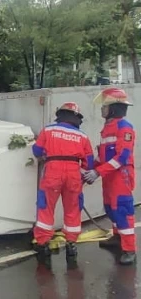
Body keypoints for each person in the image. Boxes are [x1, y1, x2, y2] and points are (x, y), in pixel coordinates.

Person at [32, 102, 94, 265]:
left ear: (60, 115)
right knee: (73, 209)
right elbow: (89, 162)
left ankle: (43, 245)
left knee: (46, 208)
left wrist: (48, 153)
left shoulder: (48, 130)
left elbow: (37, 151)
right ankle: (71, 245)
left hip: (53, 170)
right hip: (73, 172)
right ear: (77, 118)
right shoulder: (83, 136)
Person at [82, 87, 136, 265]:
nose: (101, 109)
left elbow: (122, 157)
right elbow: (102, 155)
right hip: (109, 175)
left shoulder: (124, 127)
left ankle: (129, 249)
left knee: (121, 210)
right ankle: (117, 237)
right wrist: (89, 169)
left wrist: (97, 172)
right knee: (110, 208)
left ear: (114, 108)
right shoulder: (107, 128)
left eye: (105, 106)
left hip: (121, 175)